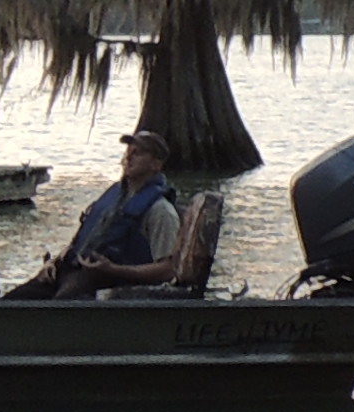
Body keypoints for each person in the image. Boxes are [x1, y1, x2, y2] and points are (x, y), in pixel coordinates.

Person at [17, 125, 217, 297]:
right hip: (68, 270)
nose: (128, 157)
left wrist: (114, 270)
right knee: (16, 300)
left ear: (156, 164)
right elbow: (84, 238)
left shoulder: (161, 212)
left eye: (137, 153)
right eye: (128, 151)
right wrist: (55, 260)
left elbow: (168, 269)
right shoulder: (112, 197)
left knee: (56, 308)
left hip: (106, 282)